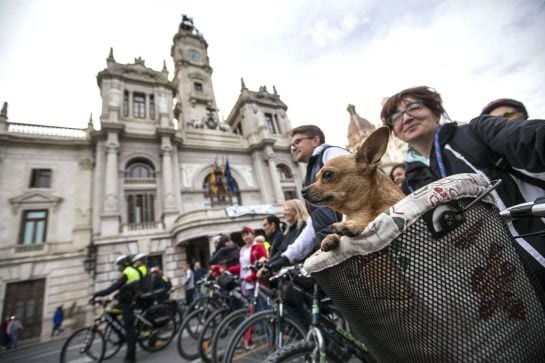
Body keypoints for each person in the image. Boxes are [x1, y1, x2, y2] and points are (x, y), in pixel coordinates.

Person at [380, 85, 545, 289]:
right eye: (396, 117)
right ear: (394, 131)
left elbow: (531, 138)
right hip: (492, 290)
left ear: (436, 110)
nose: (406, 118)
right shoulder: (410, 184)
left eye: (413, 107)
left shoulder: (476, 132)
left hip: (536, 251)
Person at [267, 125, 350, 270]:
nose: (294, 148)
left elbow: (356, 185)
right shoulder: (309, 177)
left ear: (315, 140)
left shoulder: (330, 153)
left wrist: (347, 232)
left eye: (298, 142)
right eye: (292, 145)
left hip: (355, 244)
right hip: (338, 250)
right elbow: (313, 225)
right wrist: (286, 257)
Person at [91, 255, 140, 363]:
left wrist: (96, 294)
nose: (119, 268)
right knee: (109, 314)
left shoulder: (129, 272)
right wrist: (107, 300)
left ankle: (131, 357)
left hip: (129, 303)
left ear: (125, 264)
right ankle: (121, 335)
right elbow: (122, 289)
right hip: (124, 301)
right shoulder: (128, 272)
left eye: (120, 265)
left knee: (129, 331)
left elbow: (113, 288)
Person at [228, 226, 268, 307]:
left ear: (253, 234)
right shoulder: (242, 249)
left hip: (257, 281)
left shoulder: (258, 246)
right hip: (246, 283)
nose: (246, 237)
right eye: (243, 235)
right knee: (252, 309)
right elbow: (242, 266)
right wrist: (229, 269)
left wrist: (252, 276)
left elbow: (264, 262)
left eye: (247, 234)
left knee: (262, 307)